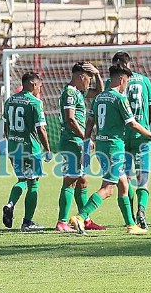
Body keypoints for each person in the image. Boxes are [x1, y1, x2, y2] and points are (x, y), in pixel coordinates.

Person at [71, 64, 151, 235]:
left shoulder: (99, 98)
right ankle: (81, 217)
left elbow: (90, 123)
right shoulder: (120, 99)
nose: (126, 85)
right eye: (126, 81)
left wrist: (86, 143)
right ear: (121, 79)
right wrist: (150, 135)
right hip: (114, 147)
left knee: (124, 184)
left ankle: (131, 225)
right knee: (108, 188)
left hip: (102, 145)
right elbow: (132, 123)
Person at [107, 51, 151, 229]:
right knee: (142, 178)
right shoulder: (145, 80)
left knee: (125, 180)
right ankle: (141, 211)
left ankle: (130, 219)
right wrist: (146, 128)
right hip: (141, 135)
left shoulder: (111, 83)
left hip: (121, 136)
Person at [55, 62, 106, 233]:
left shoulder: (77, 92)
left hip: (77, 141)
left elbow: (100, 92)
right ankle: (62, 222)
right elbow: (70, 119)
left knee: (82, 180)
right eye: (89, 78)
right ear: (80, 77)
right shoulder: (70, 92)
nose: (89, 82)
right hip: (72, 141)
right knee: (70, 181)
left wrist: (98, 74)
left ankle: (86, 219)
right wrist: (85, 138)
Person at [2, 72, 53, 231]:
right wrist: (48, 149)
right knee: (33, 184)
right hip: (30, 148)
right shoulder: (35, 103)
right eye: (39, 85)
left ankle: (10, 204)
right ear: (32, 84)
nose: (40, 89)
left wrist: (12, 141)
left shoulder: (9, 101)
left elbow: (6, 127)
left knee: (22, 179)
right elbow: (41, 129)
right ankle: (27, 222)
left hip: (14, 147)